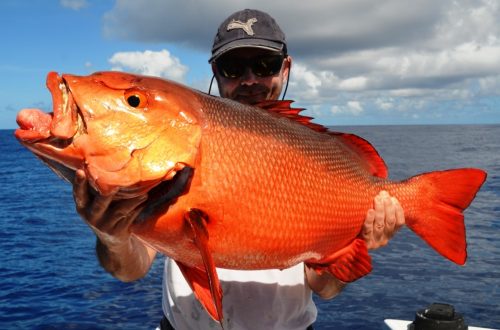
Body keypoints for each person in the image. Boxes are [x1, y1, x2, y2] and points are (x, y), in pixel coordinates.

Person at [72, 9, 405, 330]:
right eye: (233, 67)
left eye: (265, 65)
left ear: (285, 68)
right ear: (216, 71)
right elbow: (131, 268)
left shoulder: (317, 152)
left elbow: (325, 287)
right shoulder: (178, 139)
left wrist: (360, 237)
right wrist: (111, 237)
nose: (250, 80)